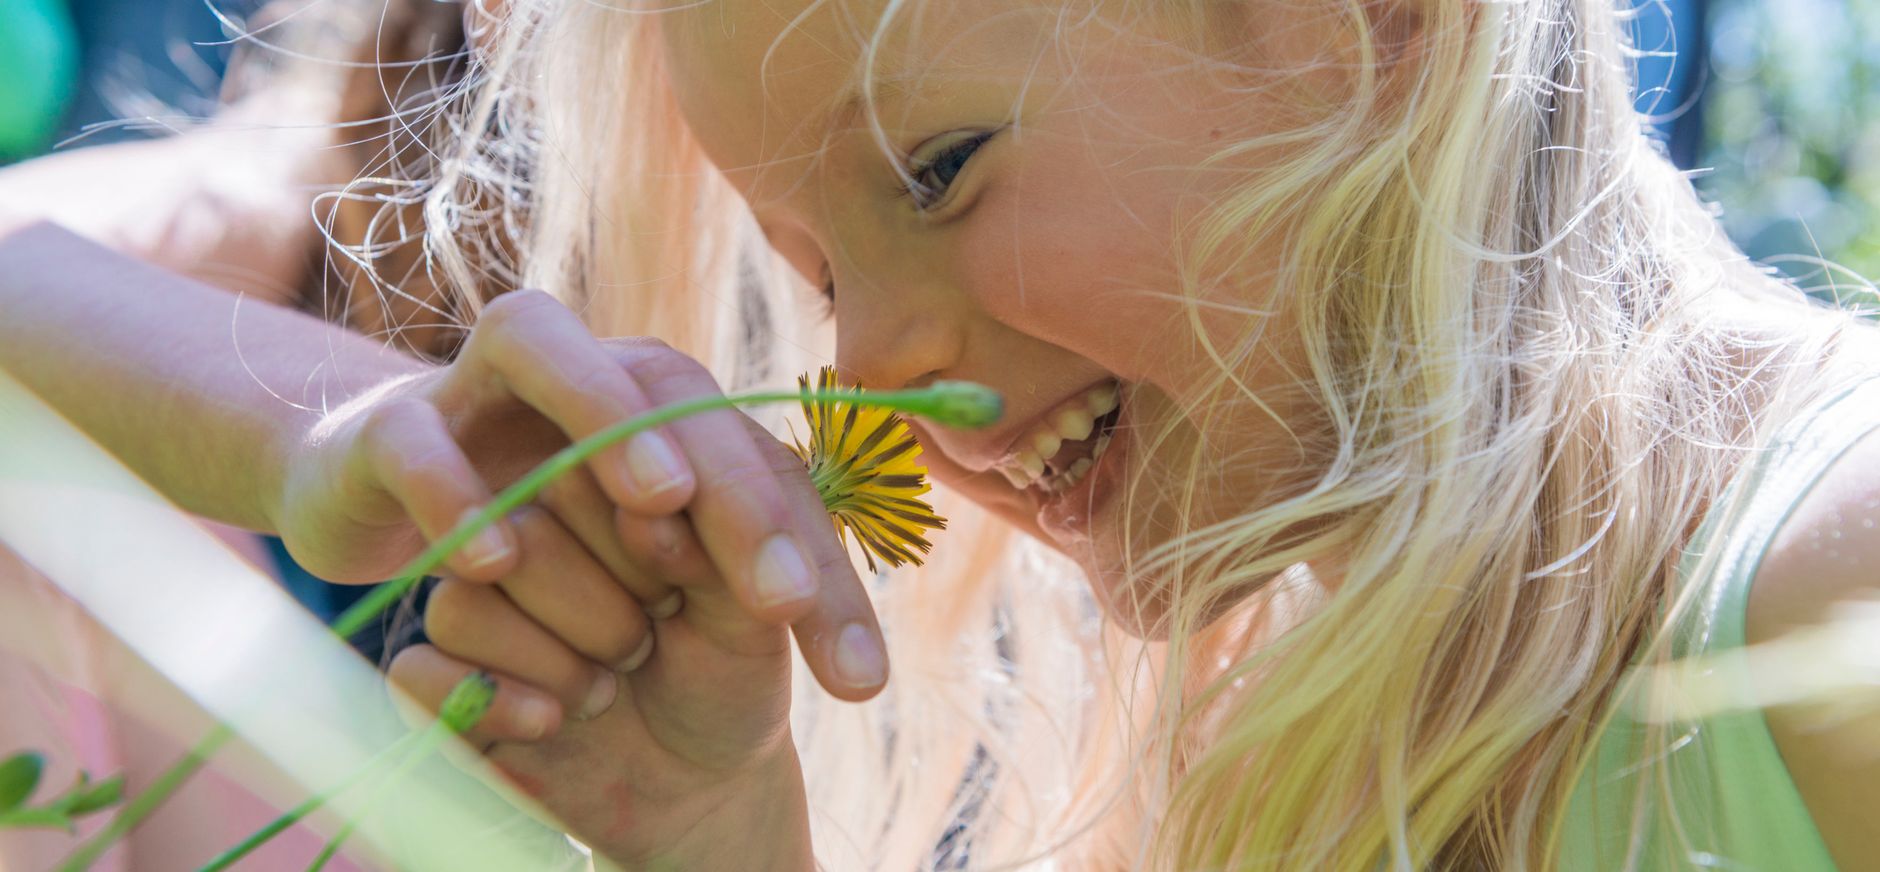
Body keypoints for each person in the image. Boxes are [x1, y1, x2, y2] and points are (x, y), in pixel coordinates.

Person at [3, 3, 1879, 872]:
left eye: (945, 169)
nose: (871, 374)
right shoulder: (1278, 738)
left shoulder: (1830, 579)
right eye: (818, 278)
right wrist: (718, 844)